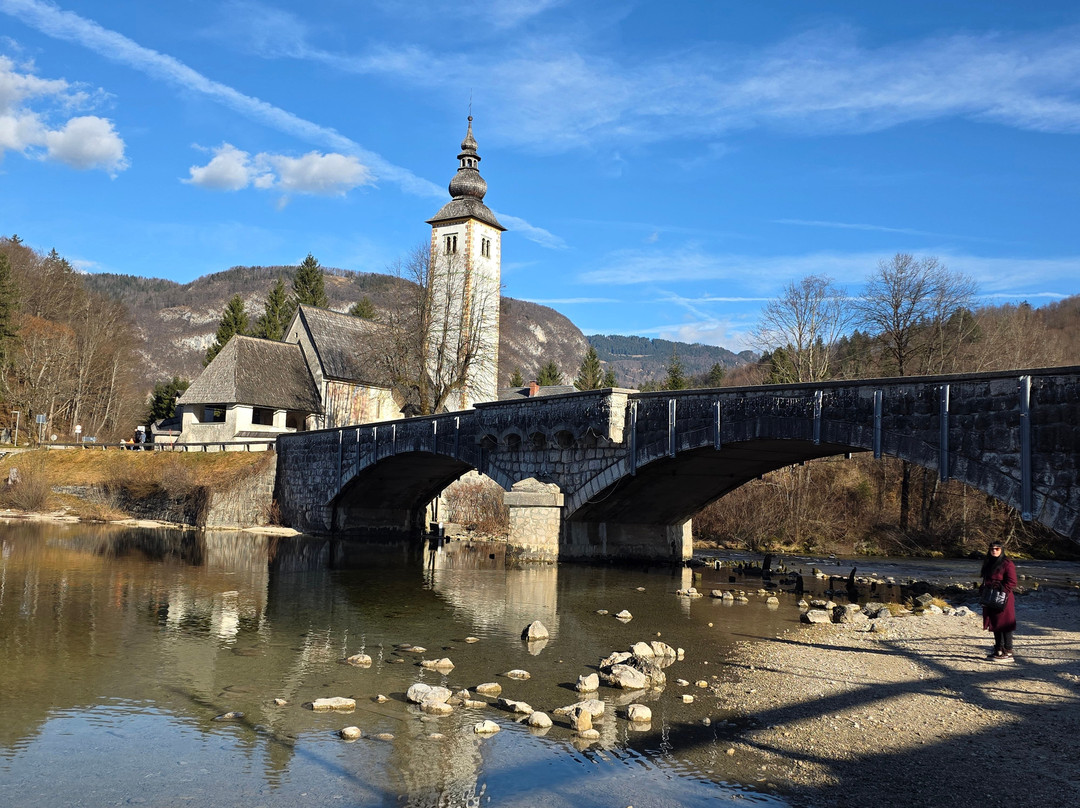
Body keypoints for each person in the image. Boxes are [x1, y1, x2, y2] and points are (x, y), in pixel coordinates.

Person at [980, 540, 1017, 661]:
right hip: (990, 596)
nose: (994, 551)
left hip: (1003, 598)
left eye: (997, 549)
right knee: (995, 623)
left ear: (1002, 550)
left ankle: (1008, 651)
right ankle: (998, 649)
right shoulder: (988, 562)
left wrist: (1000, 590)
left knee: (1005, 624)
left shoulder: (1007, 563)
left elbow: (1012, 582)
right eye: (992, 548)